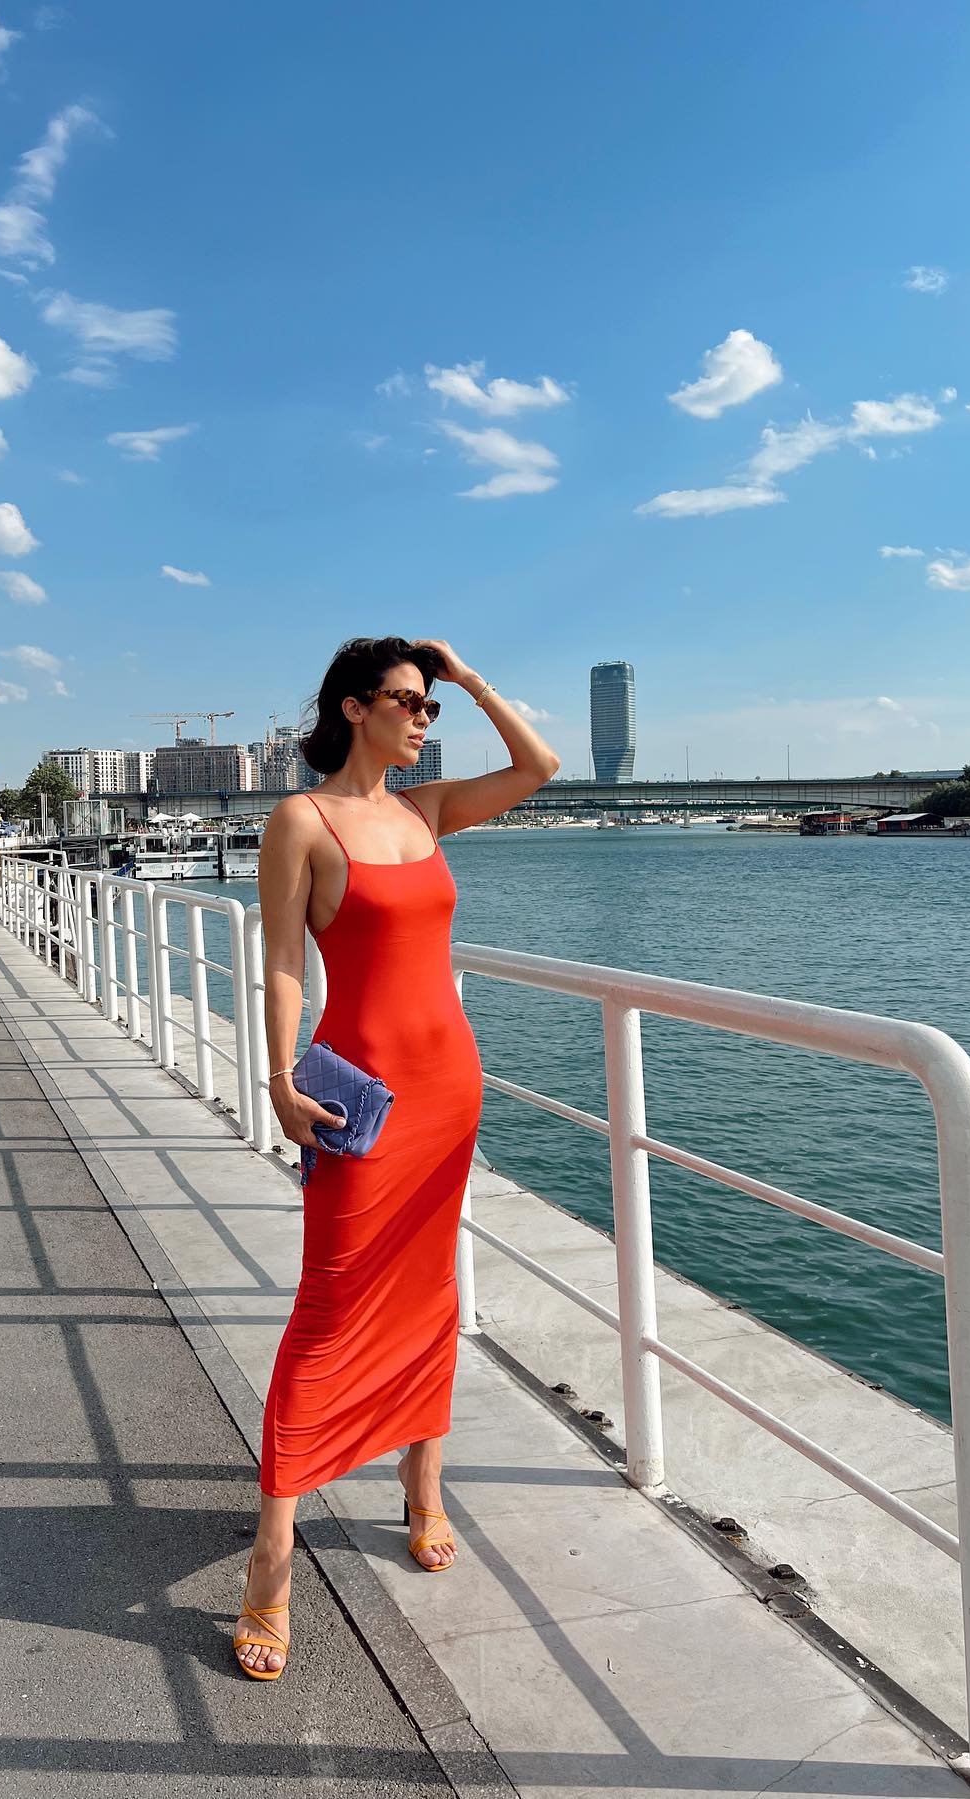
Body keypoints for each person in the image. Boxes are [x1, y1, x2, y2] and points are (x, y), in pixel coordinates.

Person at [234, 636, 559, 1680]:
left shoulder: (425, 813)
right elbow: (284, 958)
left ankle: (424, 1482)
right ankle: (272, 1551)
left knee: (429, 1292)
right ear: (353, 706)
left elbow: (540, 766)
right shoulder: (302, 820)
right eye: (410, 701)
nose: (424, 717)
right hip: (359, 1097)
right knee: (329, 1304)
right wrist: (278, 1075)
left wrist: (469, 678)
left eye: (431, 704)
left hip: (449, 1088)